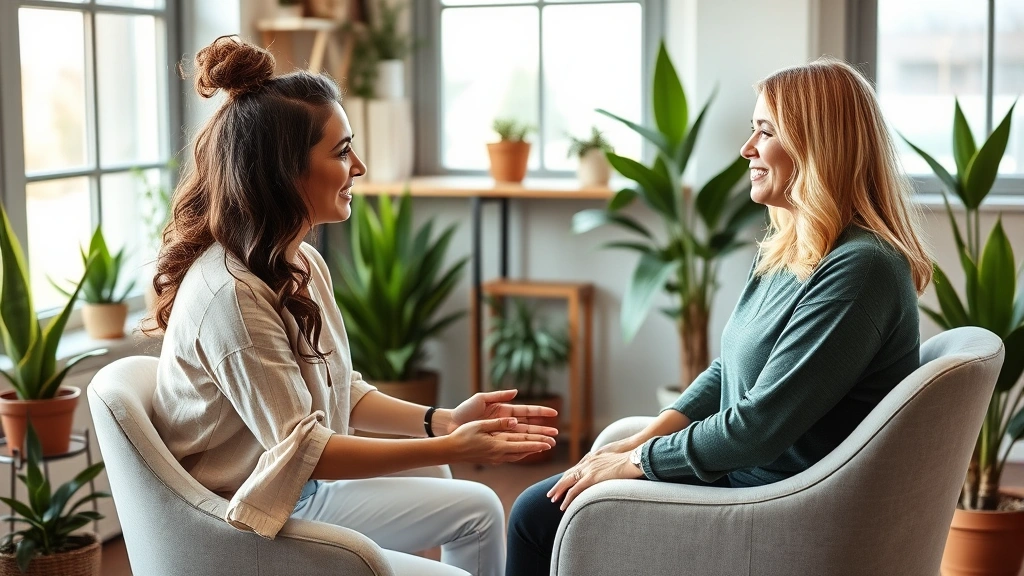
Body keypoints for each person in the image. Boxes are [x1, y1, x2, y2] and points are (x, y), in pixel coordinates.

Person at [504, 57, 933, 575]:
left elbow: (758, 426)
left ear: (818, 146)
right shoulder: (790, 247)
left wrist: (638, 461)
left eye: (765, 131)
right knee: (551, 502)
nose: (746, 149)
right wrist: (644, 438)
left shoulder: (861, 268)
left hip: (774, 504)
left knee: (536, 515)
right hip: (744, 479)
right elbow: (726, 370)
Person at [149, 36, 558, 576]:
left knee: (448, 484)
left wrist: (442, 421)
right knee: (479, 507)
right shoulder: (233, 297)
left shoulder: (299, 264)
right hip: (253, 513)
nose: (359, 166)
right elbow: (308, 452)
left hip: (297, 484)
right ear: (284, 172)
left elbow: (342, 386)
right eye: (341, 151)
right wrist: (451, 444)